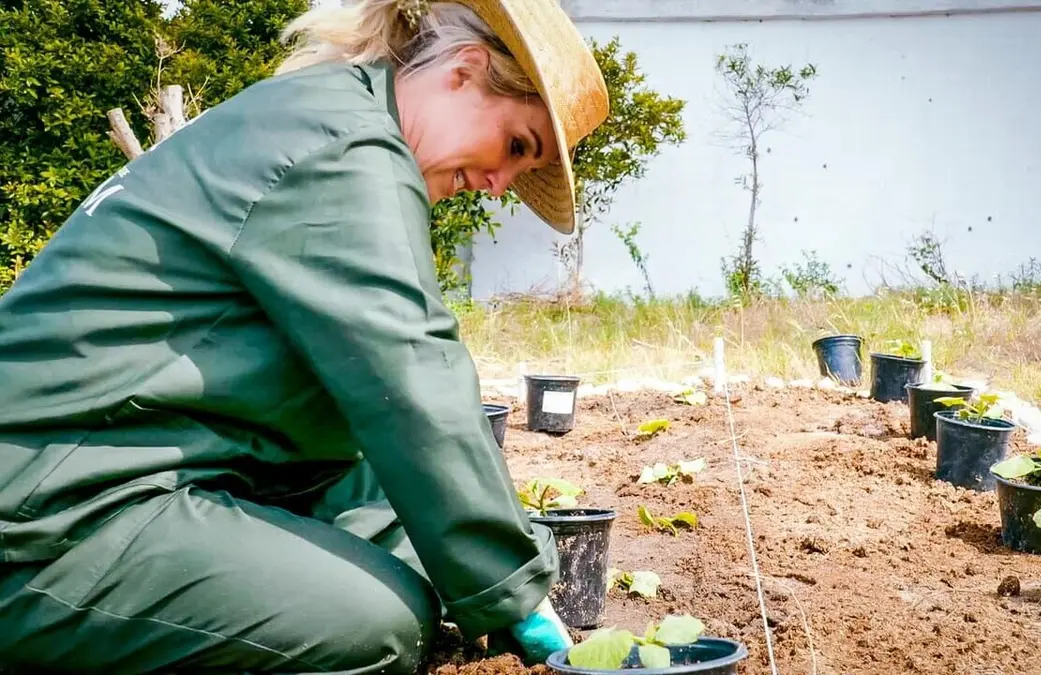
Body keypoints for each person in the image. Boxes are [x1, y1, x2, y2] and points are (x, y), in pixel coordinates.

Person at [0, 0, 608, 672]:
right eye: (516, 146)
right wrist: (514, 590)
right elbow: (409, 374)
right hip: (43, 522)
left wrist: (506, 561)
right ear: (465, 71)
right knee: (370, 623)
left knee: (426, 549)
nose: (498, 184)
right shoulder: (343, 149)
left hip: (137, 465)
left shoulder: (323, 115)